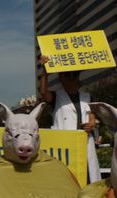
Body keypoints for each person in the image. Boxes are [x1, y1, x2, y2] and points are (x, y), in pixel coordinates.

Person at [38, 55, 101, 183]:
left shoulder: (87, 97)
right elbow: (44, 92)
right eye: (67, 75)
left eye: (74, 75)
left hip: (84, 141)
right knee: (66, 177)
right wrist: (45, 70)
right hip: (64, 142)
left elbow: (92, 118)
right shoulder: (57, 96)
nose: (71, 78)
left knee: (87, 175)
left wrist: (91, 125)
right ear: (61, 78)